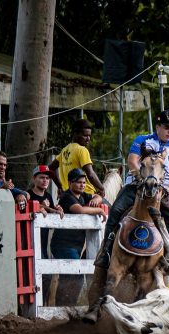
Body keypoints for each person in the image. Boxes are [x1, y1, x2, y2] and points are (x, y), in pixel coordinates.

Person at [94, 109, 169, 270]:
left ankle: (167, 257)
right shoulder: (143, 140)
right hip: (136, 187)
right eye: (166, 127)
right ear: (157, 126)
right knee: (115, 211)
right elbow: (132, 161)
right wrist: (144, 180)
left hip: (161, 192)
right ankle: (106, 251)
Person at [50, 168, 106, 306]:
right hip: (63, 244)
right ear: (70, 183)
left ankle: (67, 306)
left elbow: (100, 196)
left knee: (71, 277)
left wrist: (95, 199)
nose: (82, 185)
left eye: (83, 182)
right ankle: (63, 307)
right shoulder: (67, 196)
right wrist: (98, 209)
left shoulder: (82, 196)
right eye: (78, 182)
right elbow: (79, 210)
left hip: (76, 246)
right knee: (74, 276)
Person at [28, 165, 64, 304]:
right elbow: (30, 206)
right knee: (32, 275)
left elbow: (51, 212)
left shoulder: (48, 196)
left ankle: (42, 305)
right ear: (34, 179)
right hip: (30, 242)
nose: (45, 180)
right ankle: (32, 307)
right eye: (42, 177)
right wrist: (42, 207)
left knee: (47, 276)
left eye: (47, 178)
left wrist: (57, 208)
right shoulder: (28, 194)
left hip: (45, 242)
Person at [49, 119, 104, 203]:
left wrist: (60, 187)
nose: (88, 139)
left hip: (68, 194)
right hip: (85, 195)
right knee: (111, 211)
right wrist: (101, 188)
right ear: (75, 134)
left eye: (89, 136)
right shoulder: (82, 150)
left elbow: (51, 168)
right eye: (85, 135)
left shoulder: (65, 150)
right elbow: (90, 174)